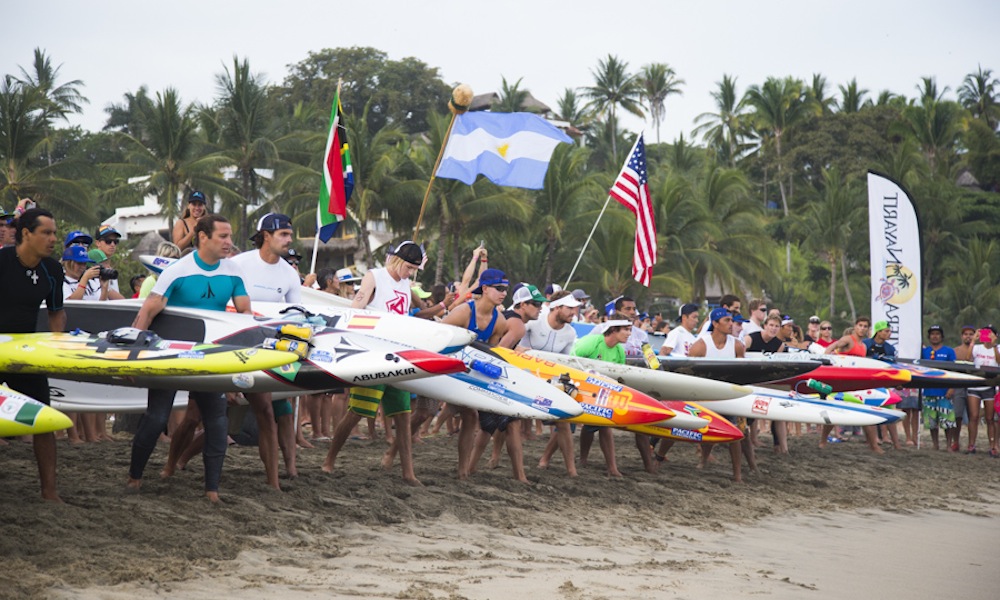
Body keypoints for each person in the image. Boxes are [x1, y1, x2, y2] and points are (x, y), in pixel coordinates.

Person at [127, 215, 250, 503]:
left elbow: (245, 315)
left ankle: (212, 491)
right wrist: (132, 357)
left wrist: (238, 362)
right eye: (223, 236)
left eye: (230, 236)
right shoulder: (178, 270)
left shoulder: (233, 272)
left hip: (208, 355)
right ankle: (135, 476)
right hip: (170, 353)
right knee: (157, 418)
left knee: (217, 422)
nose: (229, 243)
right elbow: (146, 313)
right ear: (202, 237)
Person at [323, 241, 427, 486]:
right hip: (373, 354)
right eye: (410, 267)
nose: (410, 273)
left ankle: (408, 472)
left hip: (398, 355)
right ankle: (329, 460)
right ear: (399, 260)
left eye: (414, 269)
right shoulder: (374, 277)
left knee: (402, 416)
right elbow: (355, 310)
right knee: (356, 413)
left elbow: (408, 314)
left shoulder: (405, 283)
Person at [229, 213, 303, 488]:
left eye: (290, 234)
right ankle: (174, 464)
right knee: (201, 420)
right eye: (283, 234)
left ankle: (274, 481)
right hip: (229, 348)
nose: (289, 239)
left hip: (263, 352)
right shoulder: (239, 264)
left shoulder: (289, 275)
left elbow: (296, 317)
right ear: (266, 236)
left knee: (268, 413)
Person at [0, 207, 66, 501]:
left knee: (44, 419)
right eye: (46, 233)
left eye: (54, 233)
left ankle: (49, 492)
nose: (53, 239)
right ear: (26, 234)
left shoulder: (52, 269)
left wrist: (57, 351)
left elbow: (56, 313)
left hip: (27, 354)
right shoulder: (1, 262)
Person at [468, 282, 545, 482]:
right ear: (523, 305)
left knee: (487, 427)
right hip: (494, 375)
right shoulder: (517, 325)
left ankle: (470, 468)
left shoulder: (508, 318)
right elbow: (497, 353)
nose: (540, 308)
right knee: (512, 426)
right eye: (536, 304)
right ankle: (520, 475)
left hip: (484, 374)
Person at [441, 268, 510, 479]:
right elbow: (438, 340)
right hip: (441, 369)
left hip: (465, 374)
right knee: (421, 415)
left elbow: (489, 356)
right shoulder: (463, 312)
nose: (504, 293)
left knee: (471, 418)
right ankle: (393, 452)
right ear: (486, 288)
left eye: (506, 289)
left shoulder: (500, 322)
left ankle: (462, 471)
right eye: (499, 288)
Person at [688, 308, 755, 483]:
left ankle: (737, 475)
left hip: (728, 395)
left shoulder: (737, 345)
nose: (731, 324)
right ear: (715, 324)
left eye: (731, 320)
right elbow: (687, 373)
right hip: (705, 395)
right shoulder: (701, 345)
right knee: (706, 431)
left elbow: (742, 374)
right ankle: (661, 458)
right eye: (726, 320)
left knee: (736, 434)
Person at [528, 291, 582, 476]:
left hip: (549, 381)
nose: (573, 312)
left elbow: (565, 363)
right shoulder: (534, 322)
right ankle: (495, 457)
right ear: (556, 307)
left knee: (564, 422)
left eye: (575, 309)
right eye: (569, 308)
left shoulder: (570, 332)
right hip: (523, 377)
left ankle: (571, 470)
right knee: (509, 424)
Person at [574, 320, 632, 477]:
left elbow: (618, 378)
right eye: (626, 329)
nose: (629, 333)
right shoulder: (592, 342)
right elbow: (570, 360)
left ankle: (609, 466)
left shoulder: (619, 351)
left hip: (601, 393)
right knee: (565, 428)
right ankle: (547, 460)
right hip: (578, 387)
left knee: (603, 424)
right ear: (613, 329)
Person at [863, 321, 900, 451]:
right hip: (866, 384)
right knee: (869, 413)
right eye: (886, 331)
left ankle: (897, 445)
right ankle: (873, 443)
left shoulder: (890, 348)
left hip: (884, 385)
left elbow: (894, 367)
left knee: (890, 413)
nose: (889, 333)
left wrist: (897, 382)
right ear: (878, 332)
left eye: (889, 331)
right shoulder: (866, 344)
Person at [919, 325, 956, 450]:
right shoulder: (924, 352)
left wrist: (952, 387)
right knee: (931, 421)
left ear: (942, 336)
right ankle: (935, 445)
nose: (935, 336)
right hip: (929, 390)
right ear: (929, 337)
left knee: (947, 421)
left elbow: (954, 370)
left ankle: (948, 445)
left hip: (945, 390)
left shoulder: (949, 351)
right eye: (932, 334)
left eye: (937, 334)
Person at [966, 326, 999, 456]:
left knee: (990, 418)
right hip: (975, 385)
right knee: (973, 416)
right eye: (986, 333)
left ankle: (992, 446)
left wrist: (994, 344)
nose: (988, 337)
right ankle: (971, 445)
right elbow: (968, 358)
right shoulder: (976, 348)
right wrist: (973, 340)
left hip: (989, 385)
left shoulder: (997, 348)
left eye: (990, 334)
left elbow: (999, 361)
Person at [948, 325, 977, 451]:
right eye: (966, 334)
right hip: (958, 385)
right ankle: (956, 441)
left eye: (971, 334)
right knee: (957, 415)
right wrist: (951, 387)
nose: (968, 336)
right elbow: (951, 370)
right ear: (961, 336)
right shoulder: (955, 351)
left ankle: (971, 443)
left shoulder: (978, 350)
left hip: (974, 385)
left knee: (973, 416)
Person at [92, 224, 124, 296]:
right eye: (108, 241)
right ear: (98, 243)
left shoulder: (109, 268)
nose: (112, 244)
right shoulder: (93, 266)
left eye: (115, 241)